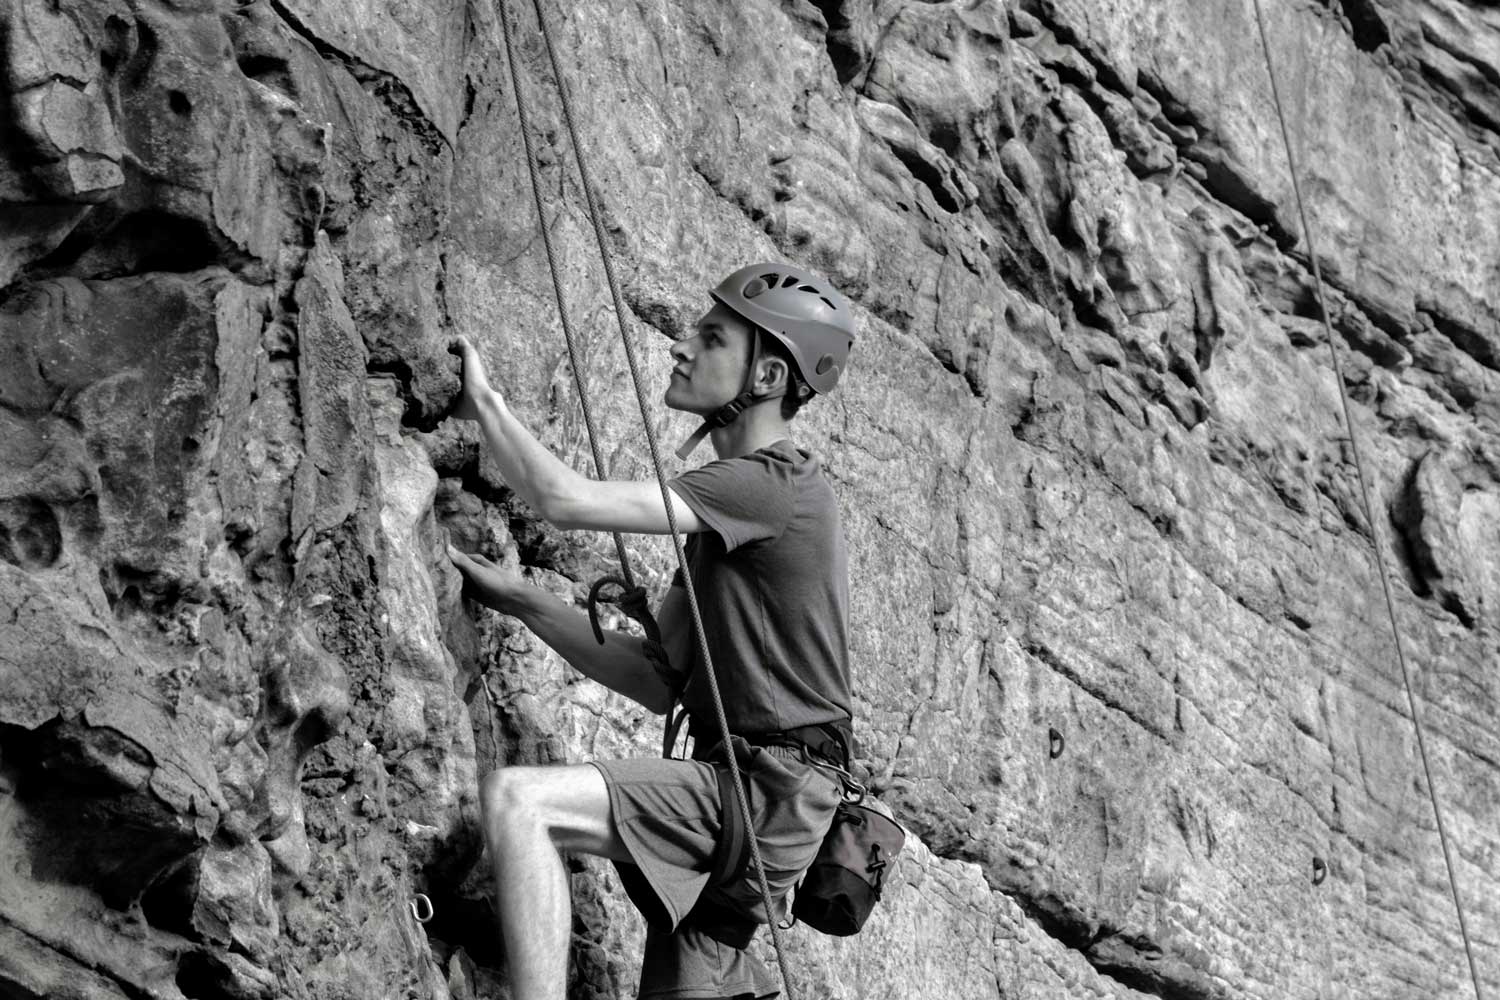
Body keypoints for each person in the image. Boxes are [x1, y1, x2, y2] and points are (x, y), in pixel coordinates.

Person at [447, 262, 857, 1000]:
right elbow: (651, 676)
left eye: (712, 337)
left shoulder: (767, 484)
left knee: (522, 804)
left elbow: (562, 500)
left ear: (765, 376)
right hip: (772, 800)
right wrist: (520, 599)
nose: (681, 347)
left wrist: (486, 405)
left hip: (764, 793)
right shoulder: (727, 526)